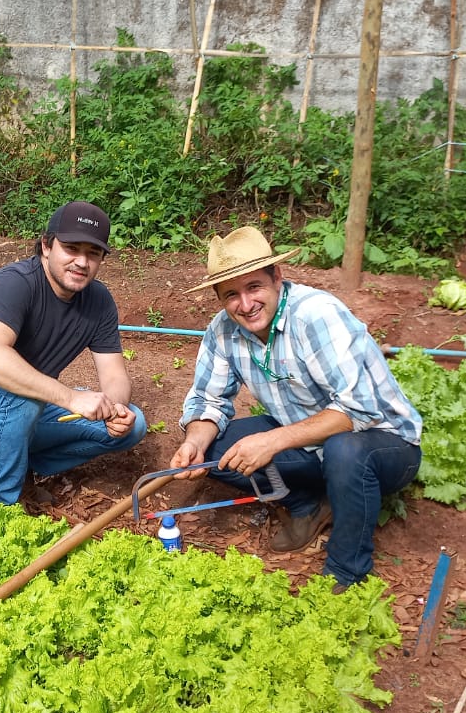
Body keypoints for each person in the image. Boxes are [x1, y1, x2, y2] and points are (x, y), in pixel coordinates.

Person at [167, 226, 422, 588]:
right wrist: (194, 442)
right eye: (230, 295)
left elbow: (359, 411)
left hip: (383, 445)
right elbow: (209, 400)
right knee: (215, 447)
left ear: (277, 277)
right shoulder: (222, 331)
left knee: (345, 450)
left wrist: (271, 442)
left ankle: (347, 572)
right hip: (308, 440)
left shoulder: (317, 316)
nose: (245, 304)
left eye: (254, 287)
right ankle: (309, 507)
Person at [0, 201, 147, 506]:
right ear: (46, 246)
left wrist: (116, 411)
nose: (82, 261)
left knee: (134, 426)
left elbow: (114, 375)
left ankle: (18, 464)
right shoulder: (15, 283)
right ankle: (0, 507)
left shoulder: (99, 301)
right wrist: (71, 398)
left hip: (25, 406)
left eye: (93, 253)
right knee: (24, 393)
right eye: (71, 248)